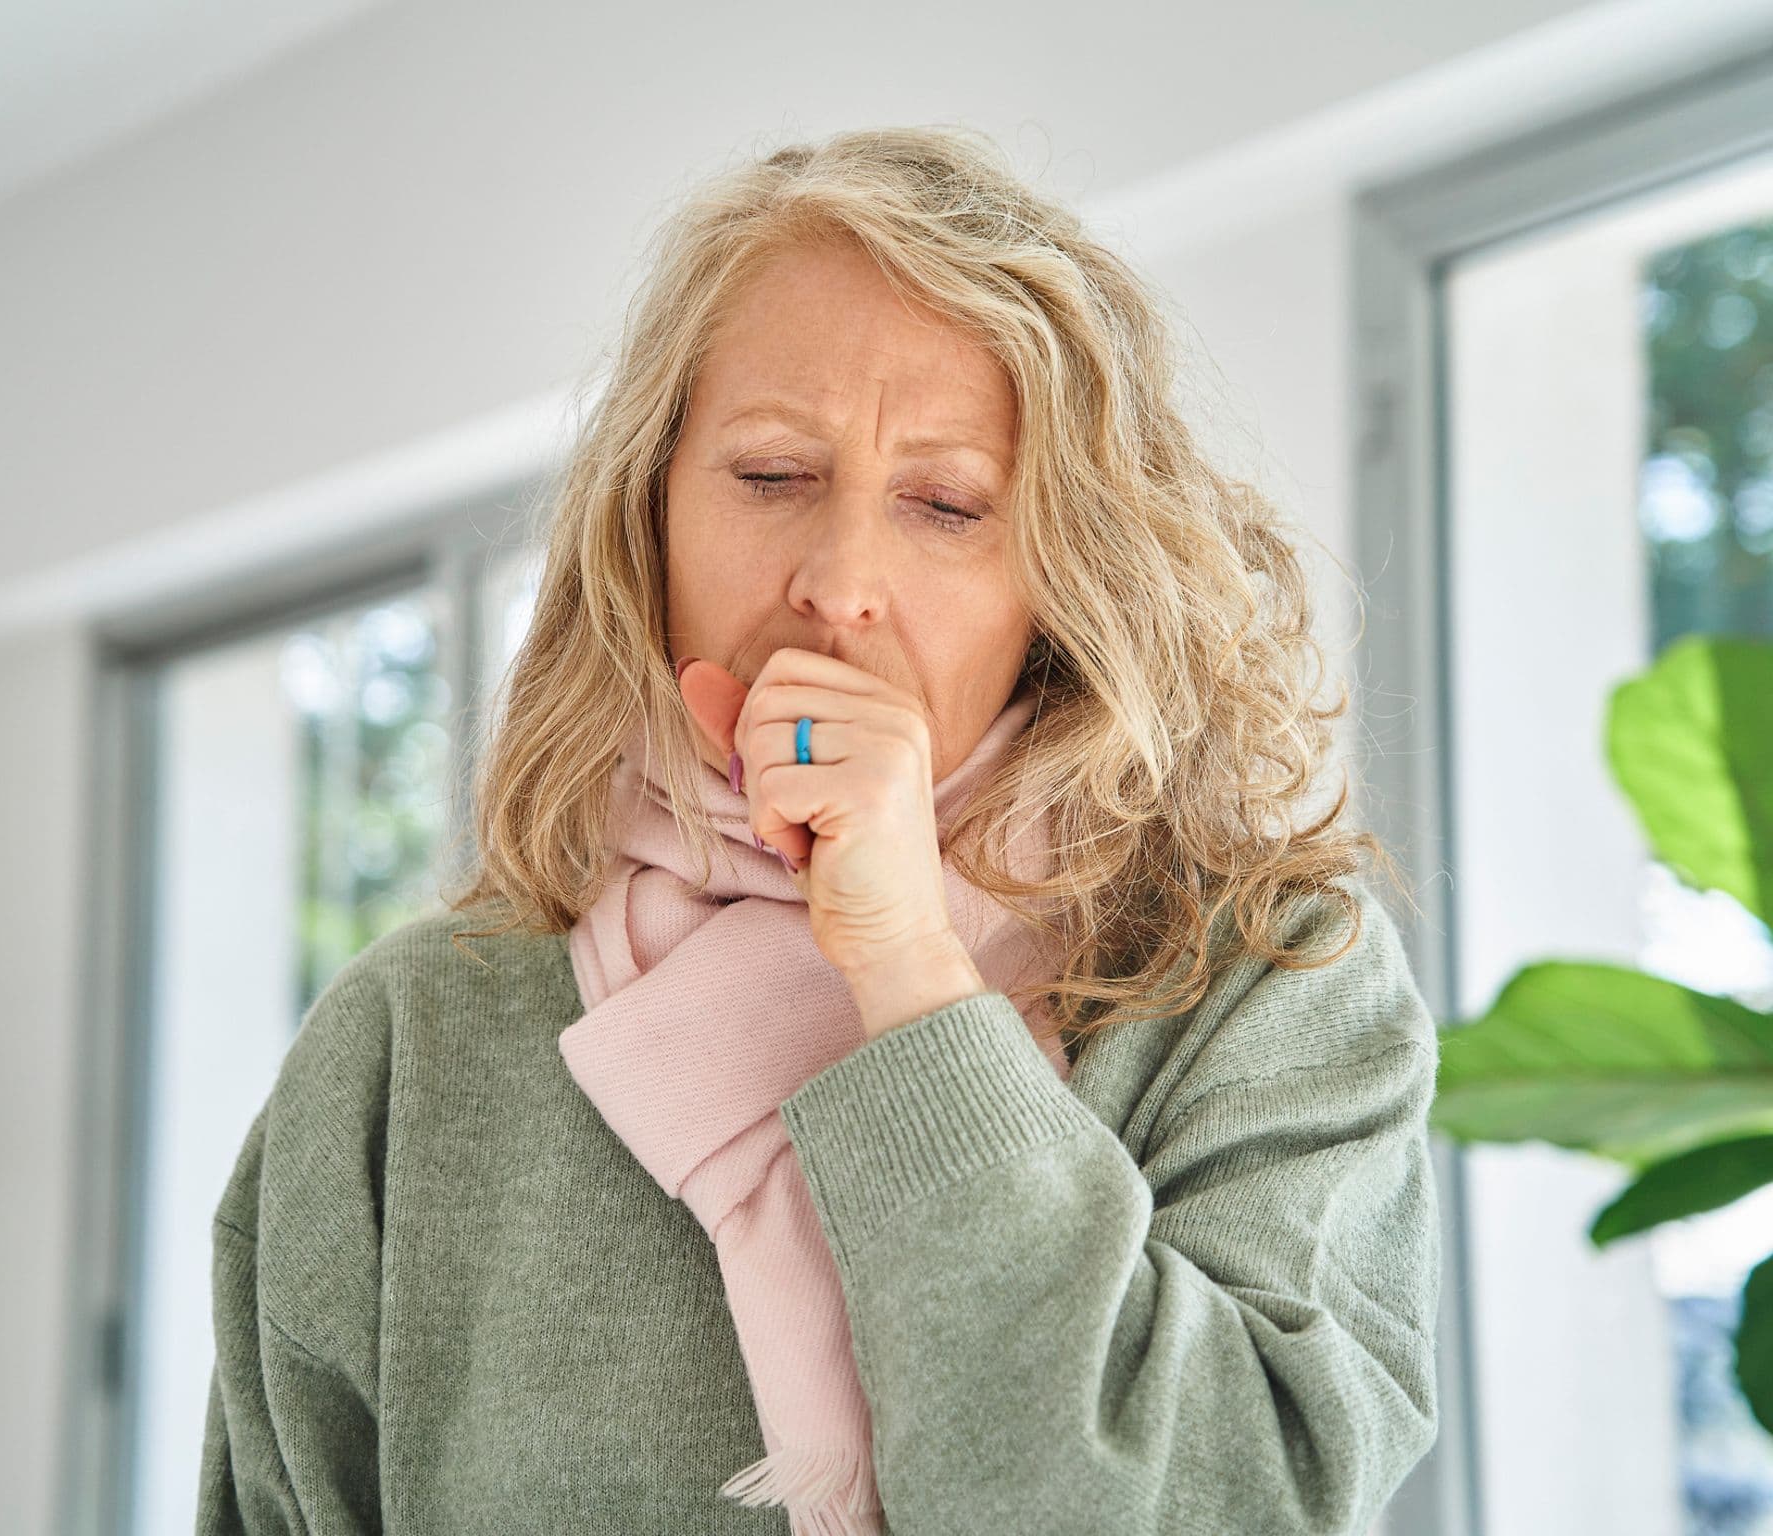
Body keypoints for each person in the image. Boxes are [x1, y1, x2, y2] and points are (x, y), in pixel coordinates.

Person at [195, 124, 1442, 1536]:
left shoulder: (1268, 982)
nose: (840, 582)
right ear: (646, 517)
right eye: (772, 476)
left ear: (1063, 569)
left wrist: (907, 967)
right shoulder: (412, 1039)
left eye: (946, 504)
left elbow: (1228, 1506)